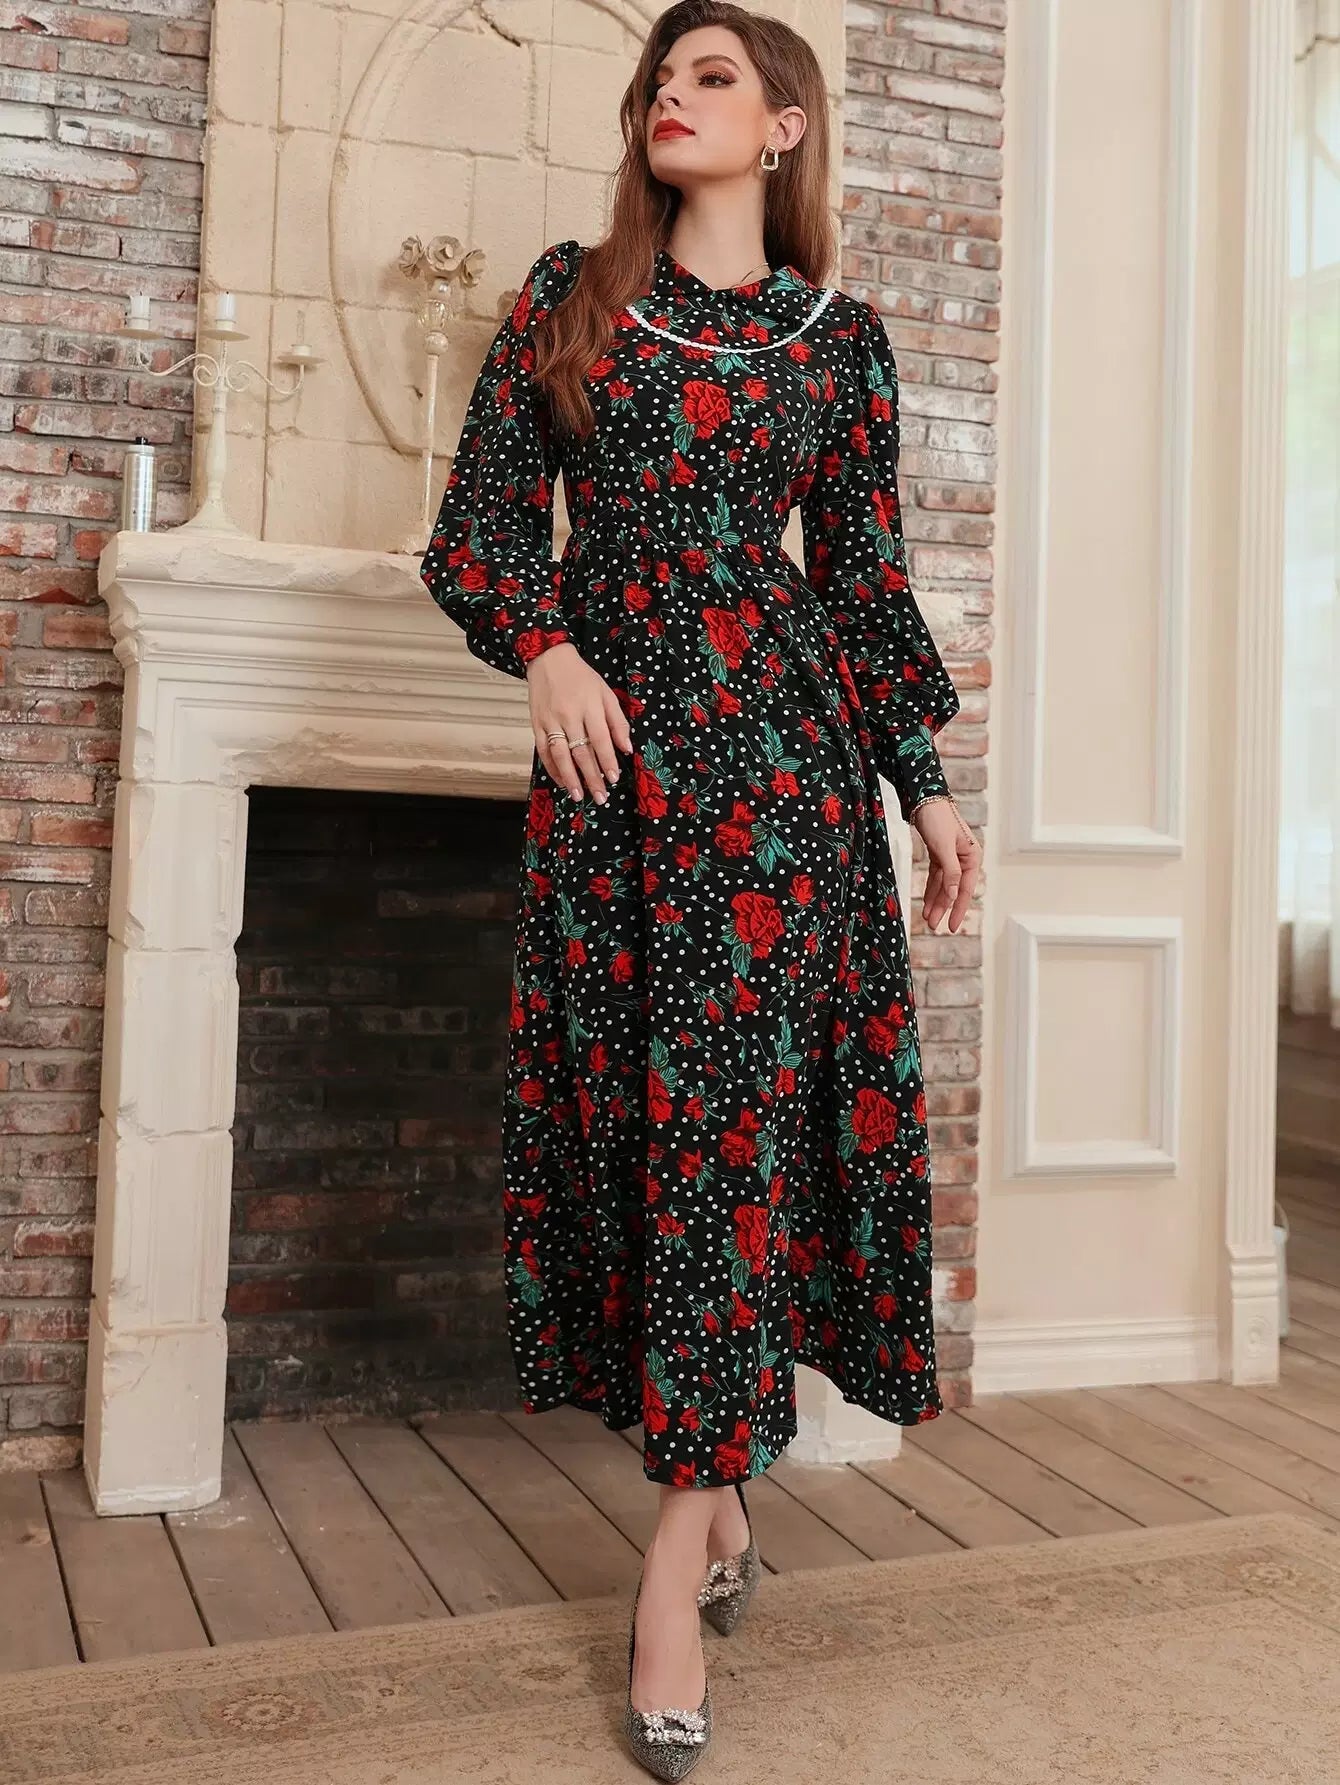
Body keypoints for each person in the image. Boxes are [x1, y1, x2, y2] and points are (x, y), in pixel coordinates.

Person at [419, 0, 981, 1771]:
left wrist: (927, 787)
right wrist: (544, 651)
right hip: (620, 791)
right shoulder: (570, 297)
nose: (674, 97)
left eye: (712, 77)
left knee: (737, 1146)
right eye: (660, 80)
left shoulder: (843, 343)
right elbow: (477, 531)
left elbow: (866, 586)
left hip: (790, 798)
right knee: (653, 1146)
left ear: (785, 125)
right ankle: (727, 1494)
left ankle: (674, 1569)